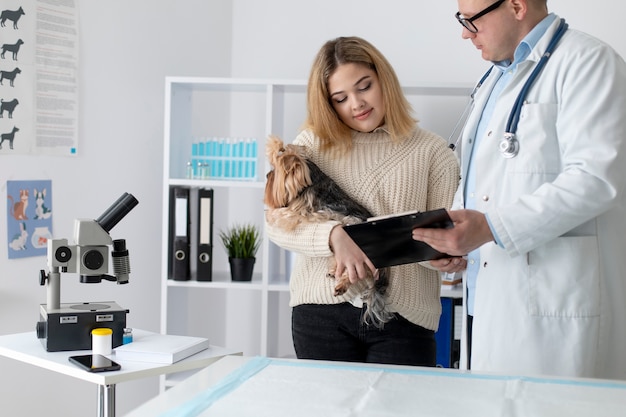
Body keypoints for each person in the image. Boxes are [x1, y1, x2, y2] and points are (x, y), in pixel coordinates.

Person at [413, 0, 626, 379]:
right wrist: (455, 242)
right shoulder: (496, 78)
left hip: (552, 307)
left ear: (516, 6)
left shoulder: (588, 62)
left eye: (471, 21)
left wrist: (491, 228)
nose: (465, 33)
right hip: (487, 298)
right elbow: (485, 183)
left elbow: (596, 178)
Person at [265, 36, 460, 366]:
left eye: (364, 86)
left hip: (405, 319)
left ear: (384, 79)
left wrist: (445, 258)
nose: (356, 104)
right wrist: (333, 236)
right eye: (340, 98)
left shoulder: (433, 153)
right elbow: (277, 226)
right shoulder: (310, 145)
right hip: (320, 313)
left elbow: (440, 241)